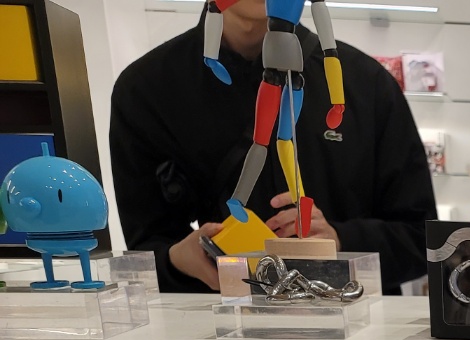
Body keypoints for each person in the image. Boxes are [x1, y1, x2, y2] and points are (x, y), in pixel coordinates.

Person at [109, 0, 435, 293]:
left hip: (355, 319)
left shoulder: (366, 83)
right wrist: (177, 260)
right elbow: (145, 246)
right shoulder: (145, 90)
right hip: (214, 325)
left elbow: (423, 239)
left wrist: (339, 239)